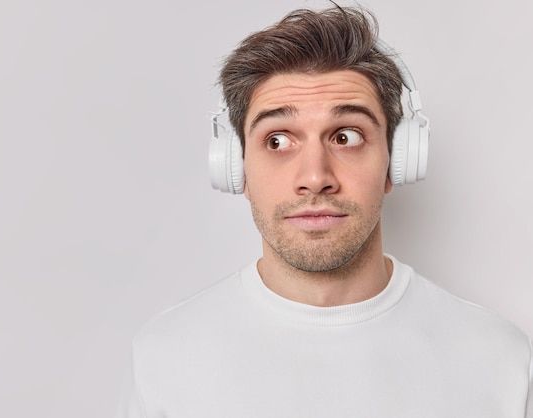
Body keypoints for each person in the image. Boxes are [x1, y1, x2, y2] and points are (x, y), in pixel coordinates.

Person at [115, 5, 532, 417]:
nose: (315, 177)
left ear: (398, 162)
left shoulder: (498, 360)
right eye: (278, 140)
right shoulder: (165, 356)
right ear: (236, 169)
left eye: (346, 136)